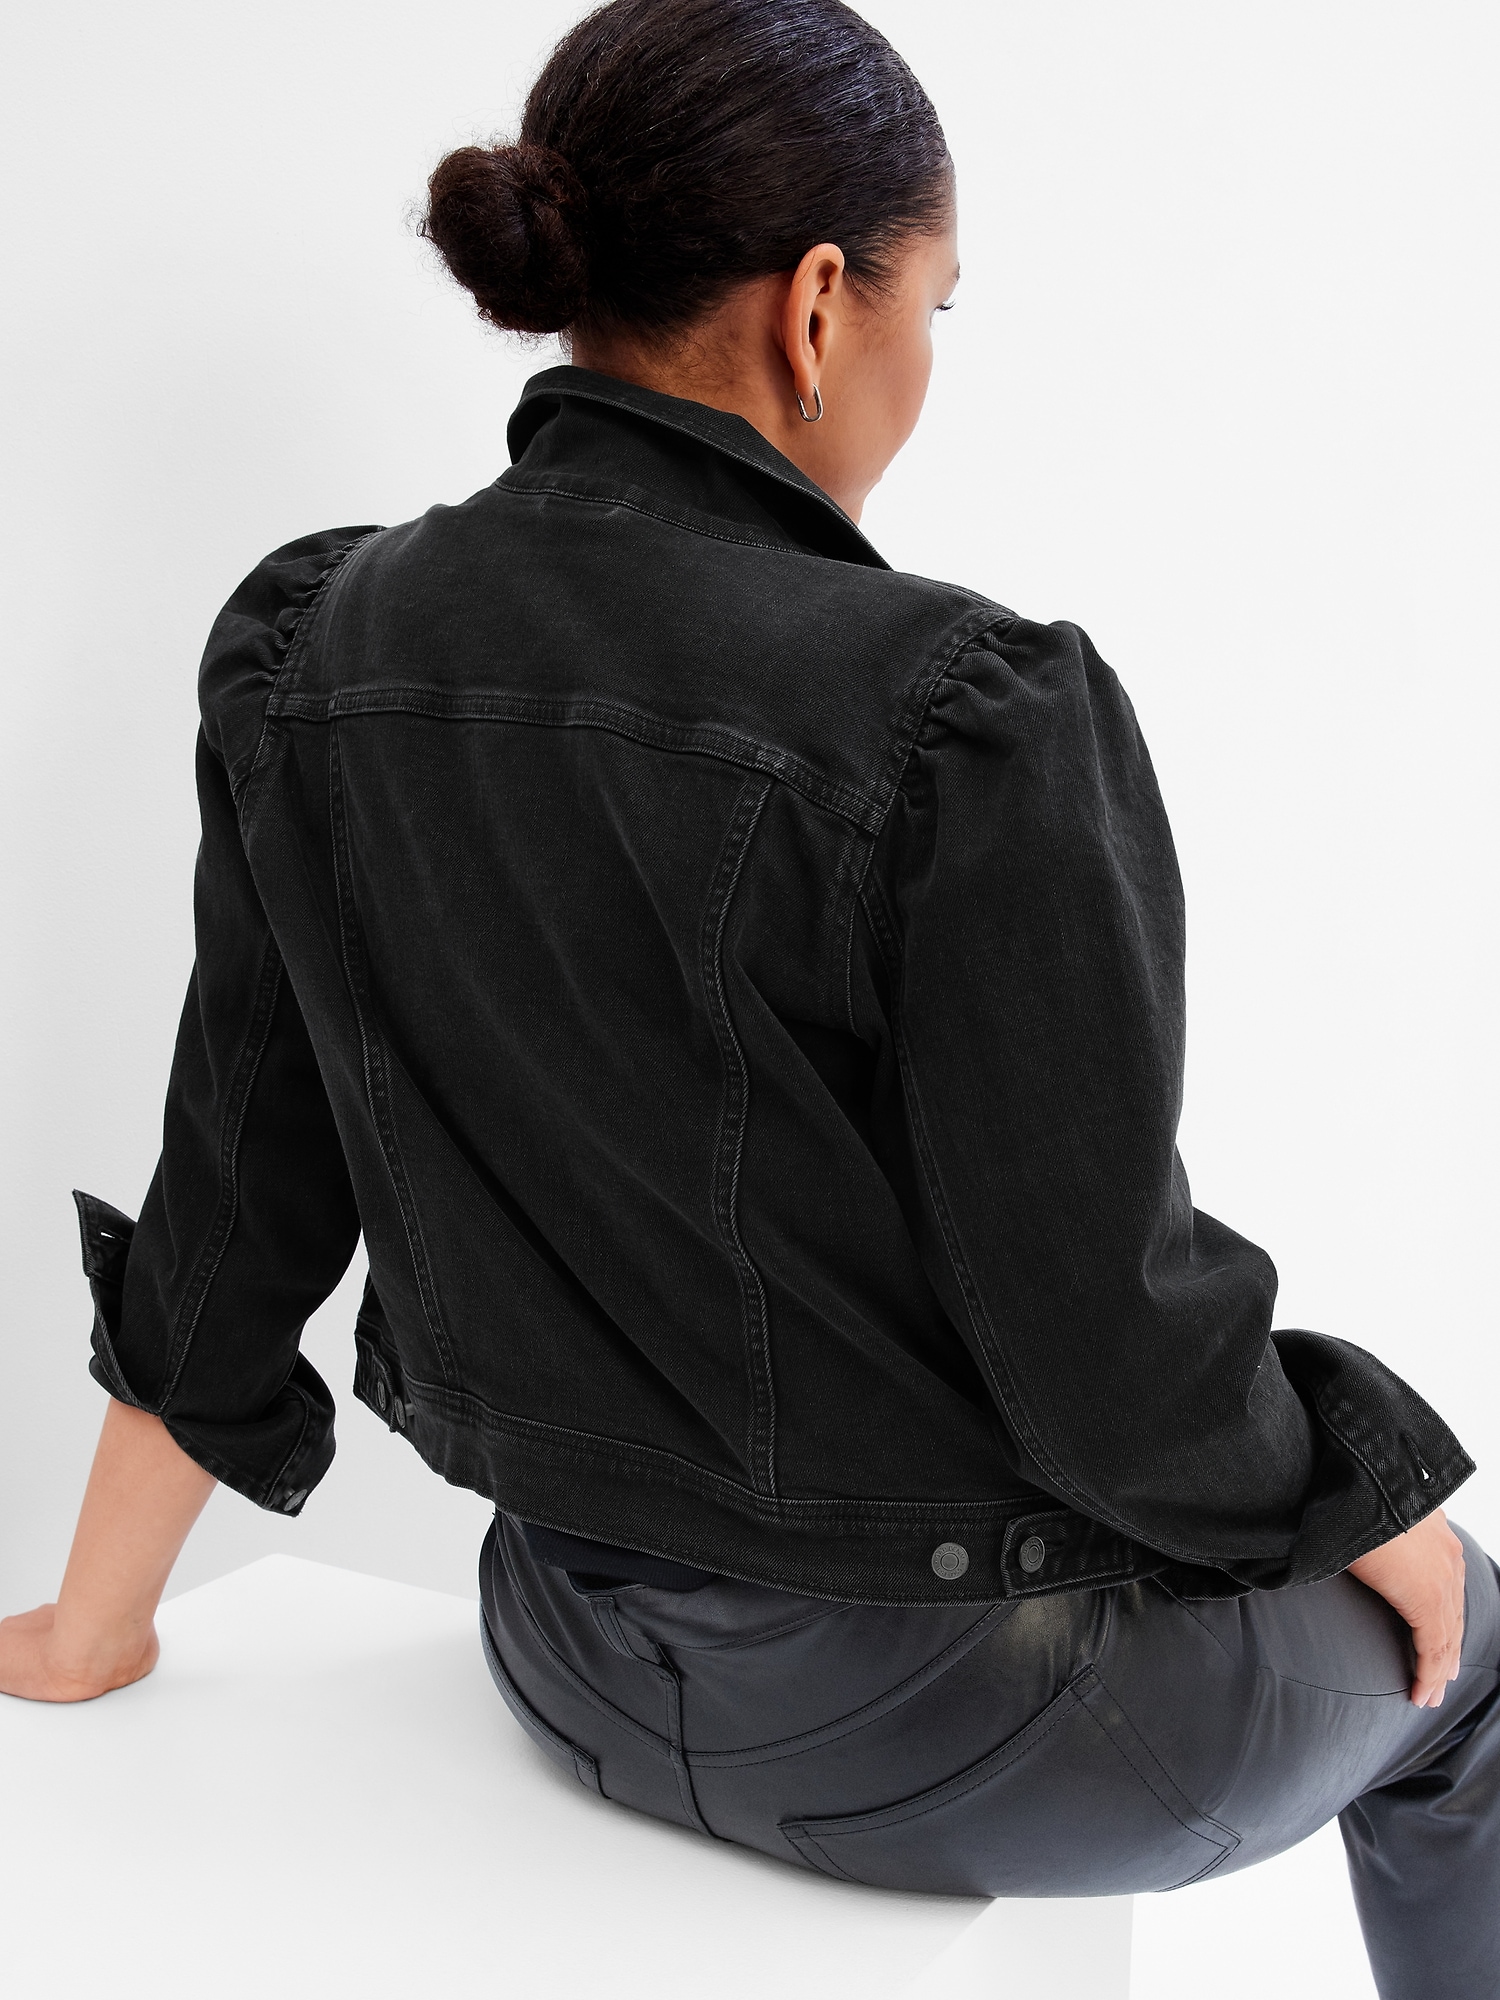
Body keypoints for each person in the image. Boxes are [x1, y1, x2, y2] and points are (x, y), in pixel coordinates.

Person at [1, 2, 1493, 1992]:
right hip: (984, 1722)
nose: (925, 365)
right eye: (934, 307)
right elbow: (1108, 1346)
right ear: (817, 304)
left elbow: (241, 1187)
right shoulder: (966, 711)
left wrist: (94, 1622)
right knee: (1481, 1660)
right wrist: (1365, 1490)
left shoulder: (316, 648)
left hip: (572, 1656)